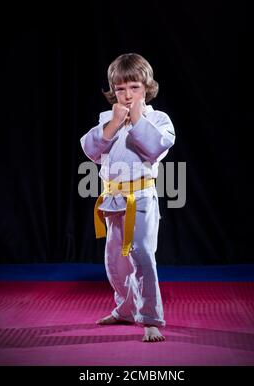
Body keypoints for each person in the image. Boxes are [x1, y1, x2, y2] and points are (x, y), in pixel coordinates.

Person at [80, 53, 175, 342]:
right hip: (113, 200)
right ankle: (124, 308)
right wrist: (113, 124)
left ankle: (150, 319)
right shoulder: (107, 118)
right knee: (114, 261)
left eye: (134, 87)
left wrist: (135, 119)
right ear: (113, 91)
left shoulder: (158, 119)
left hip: (141, 198)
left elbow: (156, 148)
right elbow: (91, 152)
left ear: (146, 86)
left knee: (142, 255)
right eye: (120, 89)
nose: (127, 94)